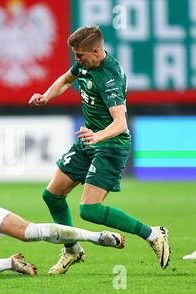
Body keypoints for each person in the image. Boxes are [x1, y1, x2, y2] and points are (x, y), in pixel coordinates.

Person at [29, 26, 170, 275]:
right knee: (52, 195)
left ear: (96, 51)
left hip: (111, 145)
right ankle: (71, 250)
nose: (77, 60)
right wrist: (47, 96)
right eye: (75, 55)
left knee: (89, 210)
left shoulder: (109, 78)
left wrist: (97, 136)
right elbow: (66, 79)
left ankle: (153, 233)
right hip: (91, 139)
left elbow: (120, 124)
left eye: (80, 55)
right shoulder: (86, 63)